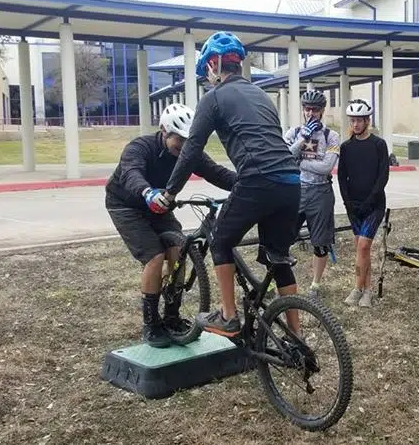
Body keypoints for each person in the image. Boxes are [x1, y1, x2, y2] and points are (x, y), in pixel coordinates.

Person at [164, 31, 303, 338]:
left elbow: (191, 150)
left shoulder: (213, 98)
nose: (208, 76)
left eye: (207, 69)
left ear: (214, 64)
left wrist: (170, 192)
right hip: (291, 182)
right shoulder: (261, 95)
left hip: (257, 180)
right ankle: (296, 335)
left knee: (220, 241)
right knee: (277, 257)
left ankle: (228, 316)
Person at [104, 103, 237, 348]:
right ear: (164, 131)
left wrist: (247, 183)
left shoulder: (190, 152)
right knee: (155, 257)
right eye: (179, 140)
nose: (184, 146)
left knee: (178, 252)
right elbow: (131, 173)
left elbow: (217, 173)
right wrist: (147, 192)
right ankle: (151, 323)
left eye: (189, 140)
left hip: (160, 205)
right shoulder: (140, 147)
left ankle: (172, 316)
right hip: (127, 205)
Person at [283, 89, 341, 299]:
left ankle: (315, 284)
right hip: (296, 191)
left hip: (321, 192)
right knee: (281, 240)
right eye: (307, 109)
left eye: (315, 110)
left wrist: (300, 162)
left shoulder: (331, 136)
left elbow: (326, 168)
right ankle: (278, 282)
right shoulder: (293, 133)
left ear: (322, 111)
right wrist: (302, 139)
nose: (310, 113)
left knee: (321, 242)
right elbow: (285, 158)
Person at [337, 98, 390, 308]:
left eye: (359, 120)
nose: (356, 124)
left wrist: (370, 201)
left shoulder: (378, 144)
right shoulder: (346, 147)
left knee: (363, 245)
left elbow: (383, 176)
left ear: (367, 121)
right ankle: (367, 291)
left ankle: (357, 288)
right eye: (352, 120)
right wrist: (348, 204)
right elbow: (342, 178)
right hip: (354, 206)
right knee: (361, 250)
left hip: (373, 205)